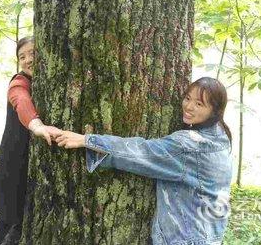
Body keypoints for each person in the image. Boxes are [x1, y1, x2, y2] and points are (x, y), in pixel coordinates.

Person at [54, 77, 233, 245]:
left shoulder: (188, 145)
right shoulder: (221, 137)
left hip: (186, 238)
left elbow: (141, 153)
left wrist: (87, 140)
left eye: (199, 104)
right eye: (187, 98)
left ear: (214, 111)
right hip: (211, 235)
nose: (189, 106)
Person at [0, 36, 58, 245]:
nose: (28, 60)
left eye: (33, 53)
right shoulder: (19, 82)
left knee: (12, 220)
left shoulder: (42, 82)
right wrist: (36, 125)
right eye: (22, 56)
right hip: (15, 166)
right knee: (14, 221)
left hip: (25, 167)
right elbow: (21, 101)